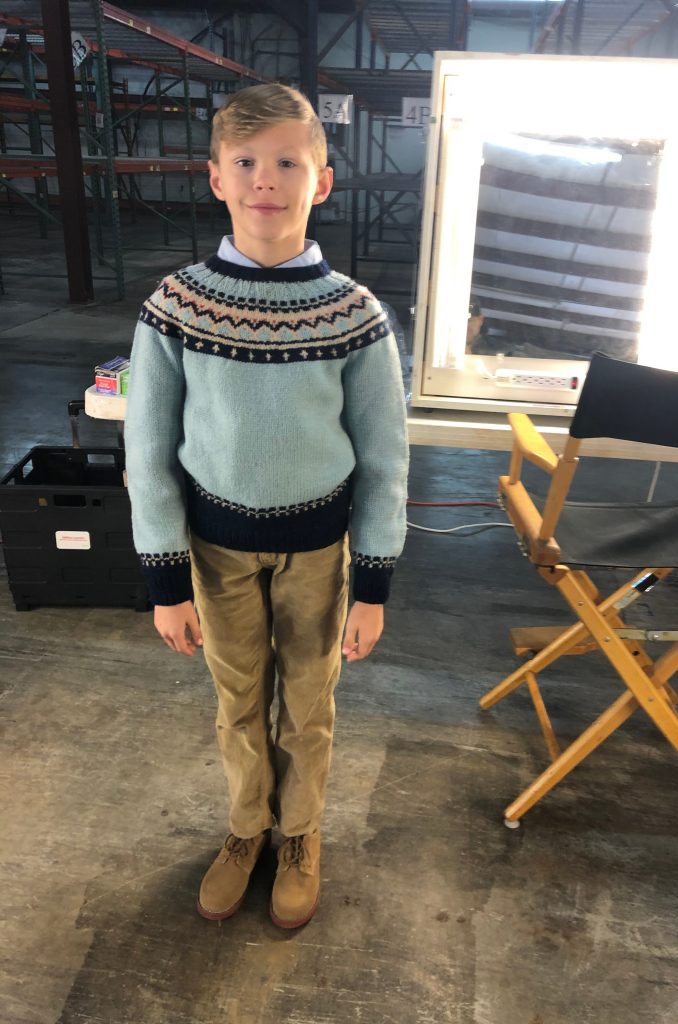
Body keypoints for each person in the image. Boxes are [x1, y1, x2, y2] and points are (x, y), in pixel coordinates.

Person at [124, 84, 409, 929]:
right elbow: (147, 451)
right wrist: (165, 580)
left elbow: (386, 458)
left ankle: (300, 833)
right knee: (238, 703)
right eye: (245, 162)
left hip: (319, 554)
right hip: (215, 553)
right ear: (216, 178)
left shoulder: (355, 315)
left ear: (322, 181)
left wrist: (374, 586)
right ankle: (247, 828)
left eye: (288, 162)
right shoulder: (175, 307)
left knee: (308, 707)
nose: (266, 180)